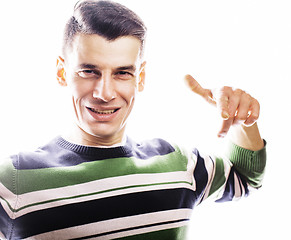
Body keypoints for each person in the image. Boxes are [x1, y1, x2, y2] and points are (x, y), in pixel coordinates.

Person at [0, 0, 266, 239]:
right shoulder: (12, 182)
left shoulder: (177, 163)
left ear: (140, 78)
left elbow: (245, 178)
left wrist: (243, 120)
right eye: (89, 71)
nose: (104, 93)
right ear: (62, 72)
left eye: (122, 73)